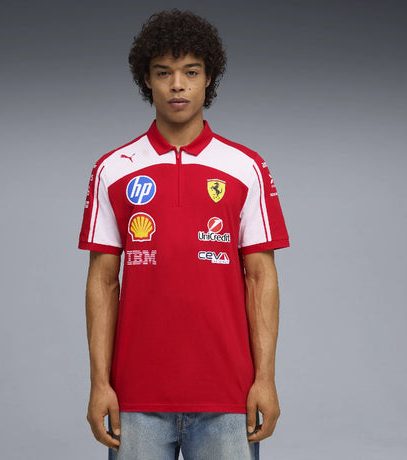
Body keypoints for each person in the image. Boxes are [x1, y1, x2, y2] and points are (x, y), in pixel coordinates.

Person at [78, 9, 289, 460]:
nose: (178, 85)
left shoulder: (246, 167)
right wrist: (99, 384)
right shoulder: (112, 169)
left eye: (191, 72)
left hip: (228, 397)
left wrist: (265, 380)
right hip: (135, 398)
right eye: (164, 73)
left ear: (208, 78)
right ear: (147, 80)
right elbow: (102, 282)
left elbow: (260, 278)